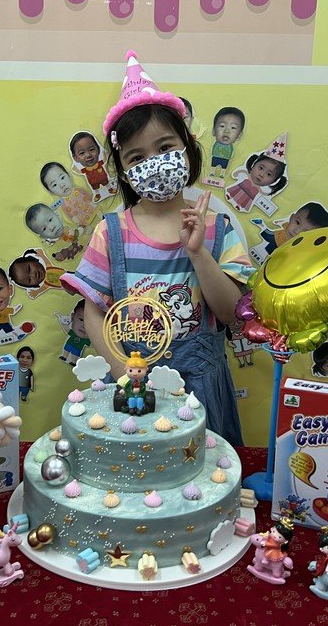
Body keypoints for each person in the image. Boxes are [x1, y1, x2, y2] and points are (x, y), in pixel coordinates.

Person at [62, 51, 253, 445]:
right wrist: (121, 372)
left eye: (166, 148)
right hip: (132, 387)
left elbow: (232, 313)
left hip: (201, 391)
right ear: (123, 171)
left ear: (189, 148)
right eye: (137, 156)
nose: (155, 162)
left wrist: (198, 253)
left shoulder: (218, 228)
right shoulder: (110, 232)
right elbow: (93, 310)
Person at [249, 201, 328, 264]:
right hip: (266, 249)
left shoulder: (299, 254)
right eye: (297, 222)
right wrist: (262, 226)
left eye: (306, 232)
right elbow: (269, 235)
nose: (297, 231)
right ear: (292, 217)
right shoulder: (281, 233)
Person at [224, 149, 288, 213]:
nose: (261, 174)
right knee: (234, 192)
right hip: (237, 189)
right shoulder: (246, 175)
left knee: (245, 202)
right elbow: (240, 172)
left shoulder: (260, 190)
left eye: (269, 174)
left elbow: (264, 194)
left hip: (249, 197)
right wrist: (237, 173)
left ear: (274, 181)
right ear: (254, 164)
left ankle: (240, 206)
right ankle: (230, 196)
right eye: (261, 168)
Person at [40, 161, 99, 227]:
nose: (62, 185)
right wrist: (79, 223)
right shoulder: (63, 204)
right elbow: (71, 216)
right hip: (85, 222)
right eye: (55, 185)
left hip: (95, 211)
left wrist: (94, 202)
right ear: (51, 192)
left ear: (69, 176)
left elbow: (89, 197)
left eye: (62, 178)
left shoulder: (78, 190)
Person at [69, 131, 116, 202]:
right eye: (82, 153)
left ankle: (110, 189)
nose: (88, 155)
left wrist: (106, 154)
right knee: (95, 188)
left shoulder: (99, 164)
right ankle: (97, 194)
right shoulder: (86, 170)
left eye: (91, 149)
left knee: (106, 183)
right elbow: (80, 171)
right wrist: (75, 169)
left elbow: (104, 160)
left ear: (98, 149)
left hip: (103, 177)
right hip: (93, 182)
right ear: (75, 158)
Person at [207, 106, 245, 180]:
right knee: (214, 164)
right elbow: (213, 150)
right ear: (213, 131)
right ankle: (212, 172)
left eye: (233, 127)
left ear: (239, 135)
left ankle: (222, 174)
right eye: (222, 126)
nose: (226, 131)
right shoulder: (214, 146)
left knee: (224, 166)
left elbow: (231, 154)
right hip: (215, 157)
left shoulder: (231, 148)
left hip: (225, 159)